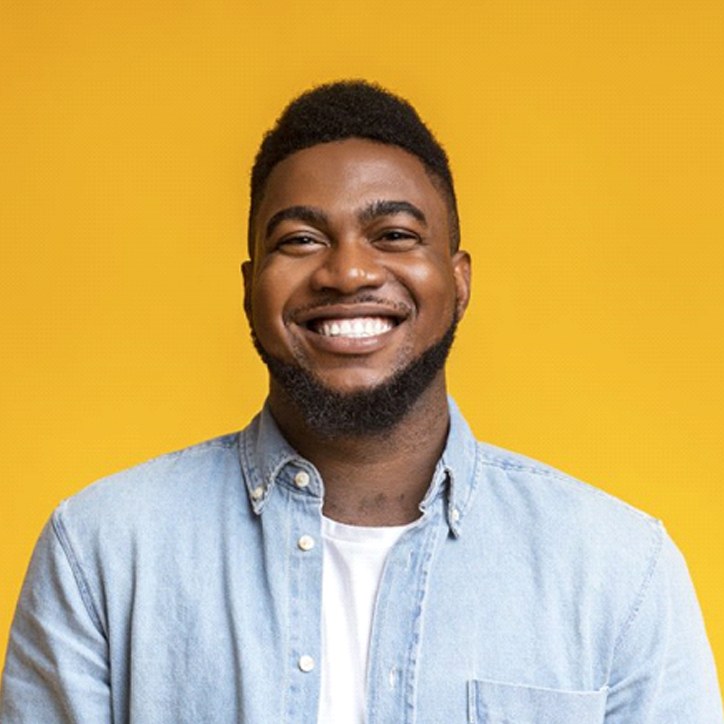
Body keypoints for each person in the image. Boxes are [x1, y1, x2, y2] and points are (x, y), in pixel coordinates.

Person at [1, 81, 721, 723]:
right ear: (251, 287)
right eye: (302, 238)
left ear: (459, 279)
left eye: (395, 235)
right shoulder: (100, 552)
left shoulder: (621, 572)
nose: (347, 270)